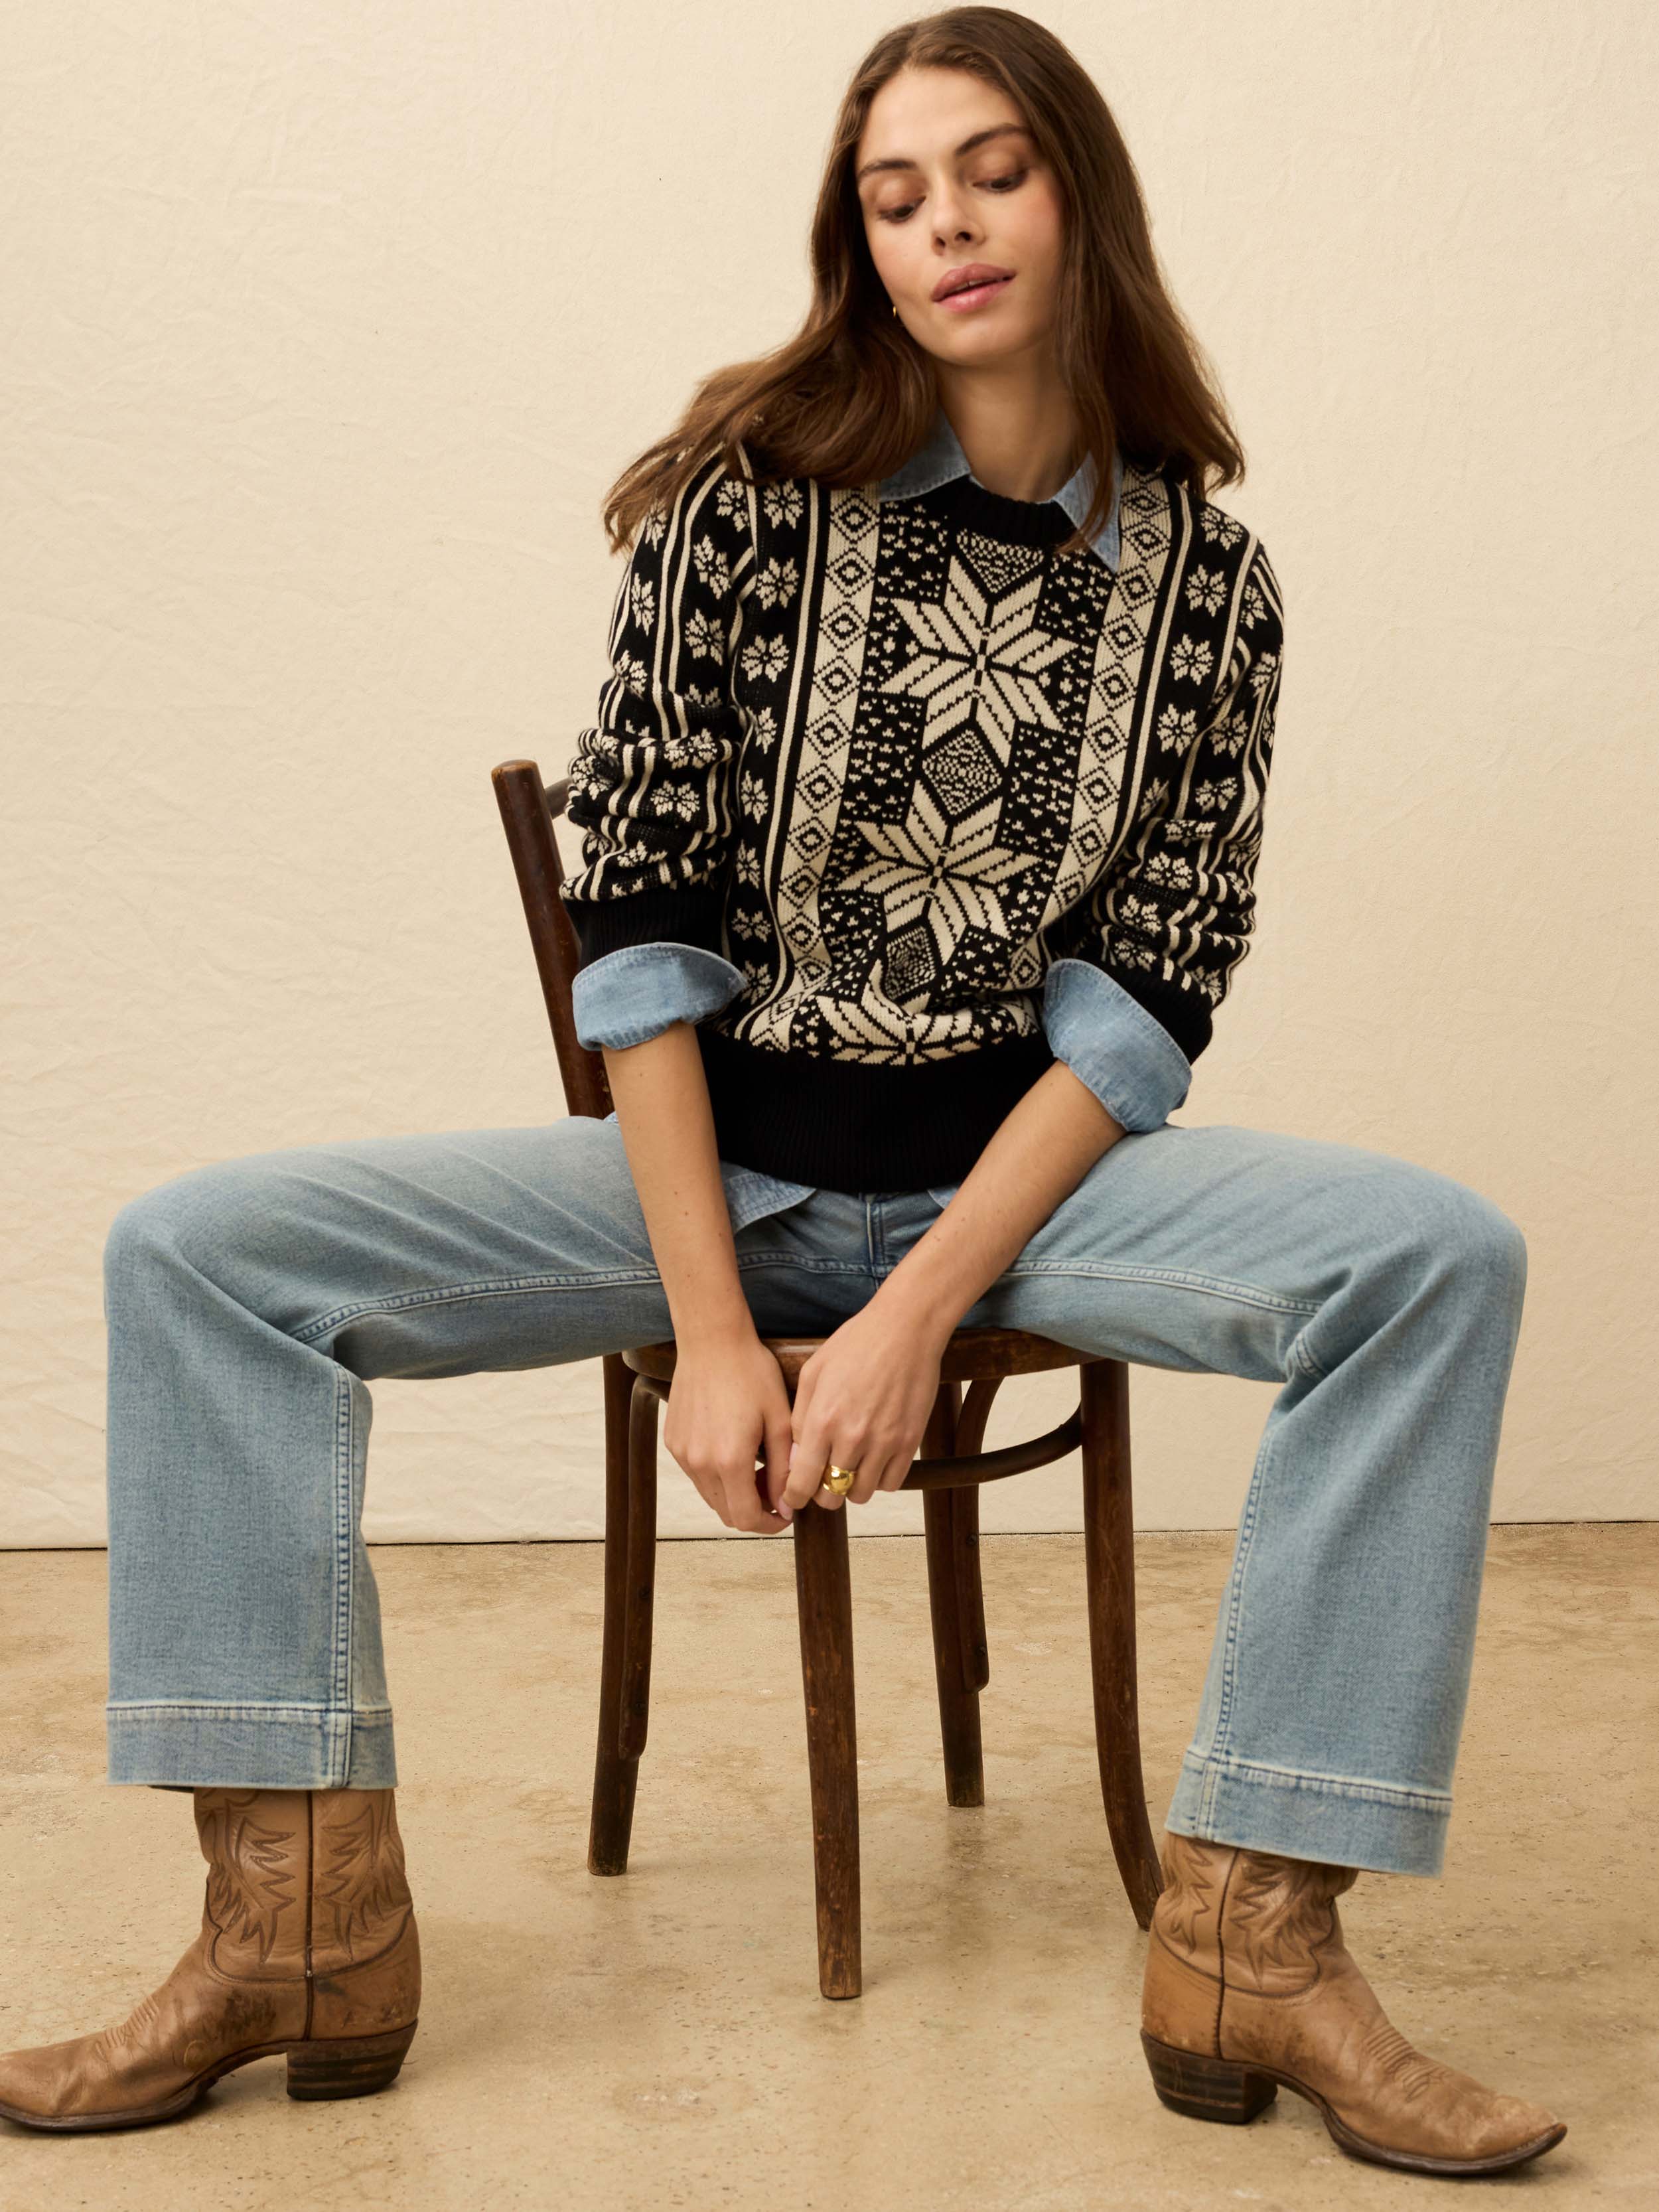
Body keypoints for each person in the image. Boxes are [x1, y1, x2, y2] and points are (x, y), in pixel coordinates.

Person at [0, 5, 1565, 2177]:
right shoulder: (752, 505)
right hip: (710, 1176)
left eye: (990, 171)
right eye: (894, 194)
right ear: (860, 239)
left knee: (1434, 1258)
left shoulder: (1208, 585)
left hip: (1019, 1195)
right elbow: (634, 938)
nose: (946, 227)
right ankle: (295, 1932)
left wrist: (915, 1319)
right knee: (198, 1257)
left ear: (1078, 190)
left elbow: (1140, 1006)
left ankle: (1254, 1940)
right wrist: (718, 1335)